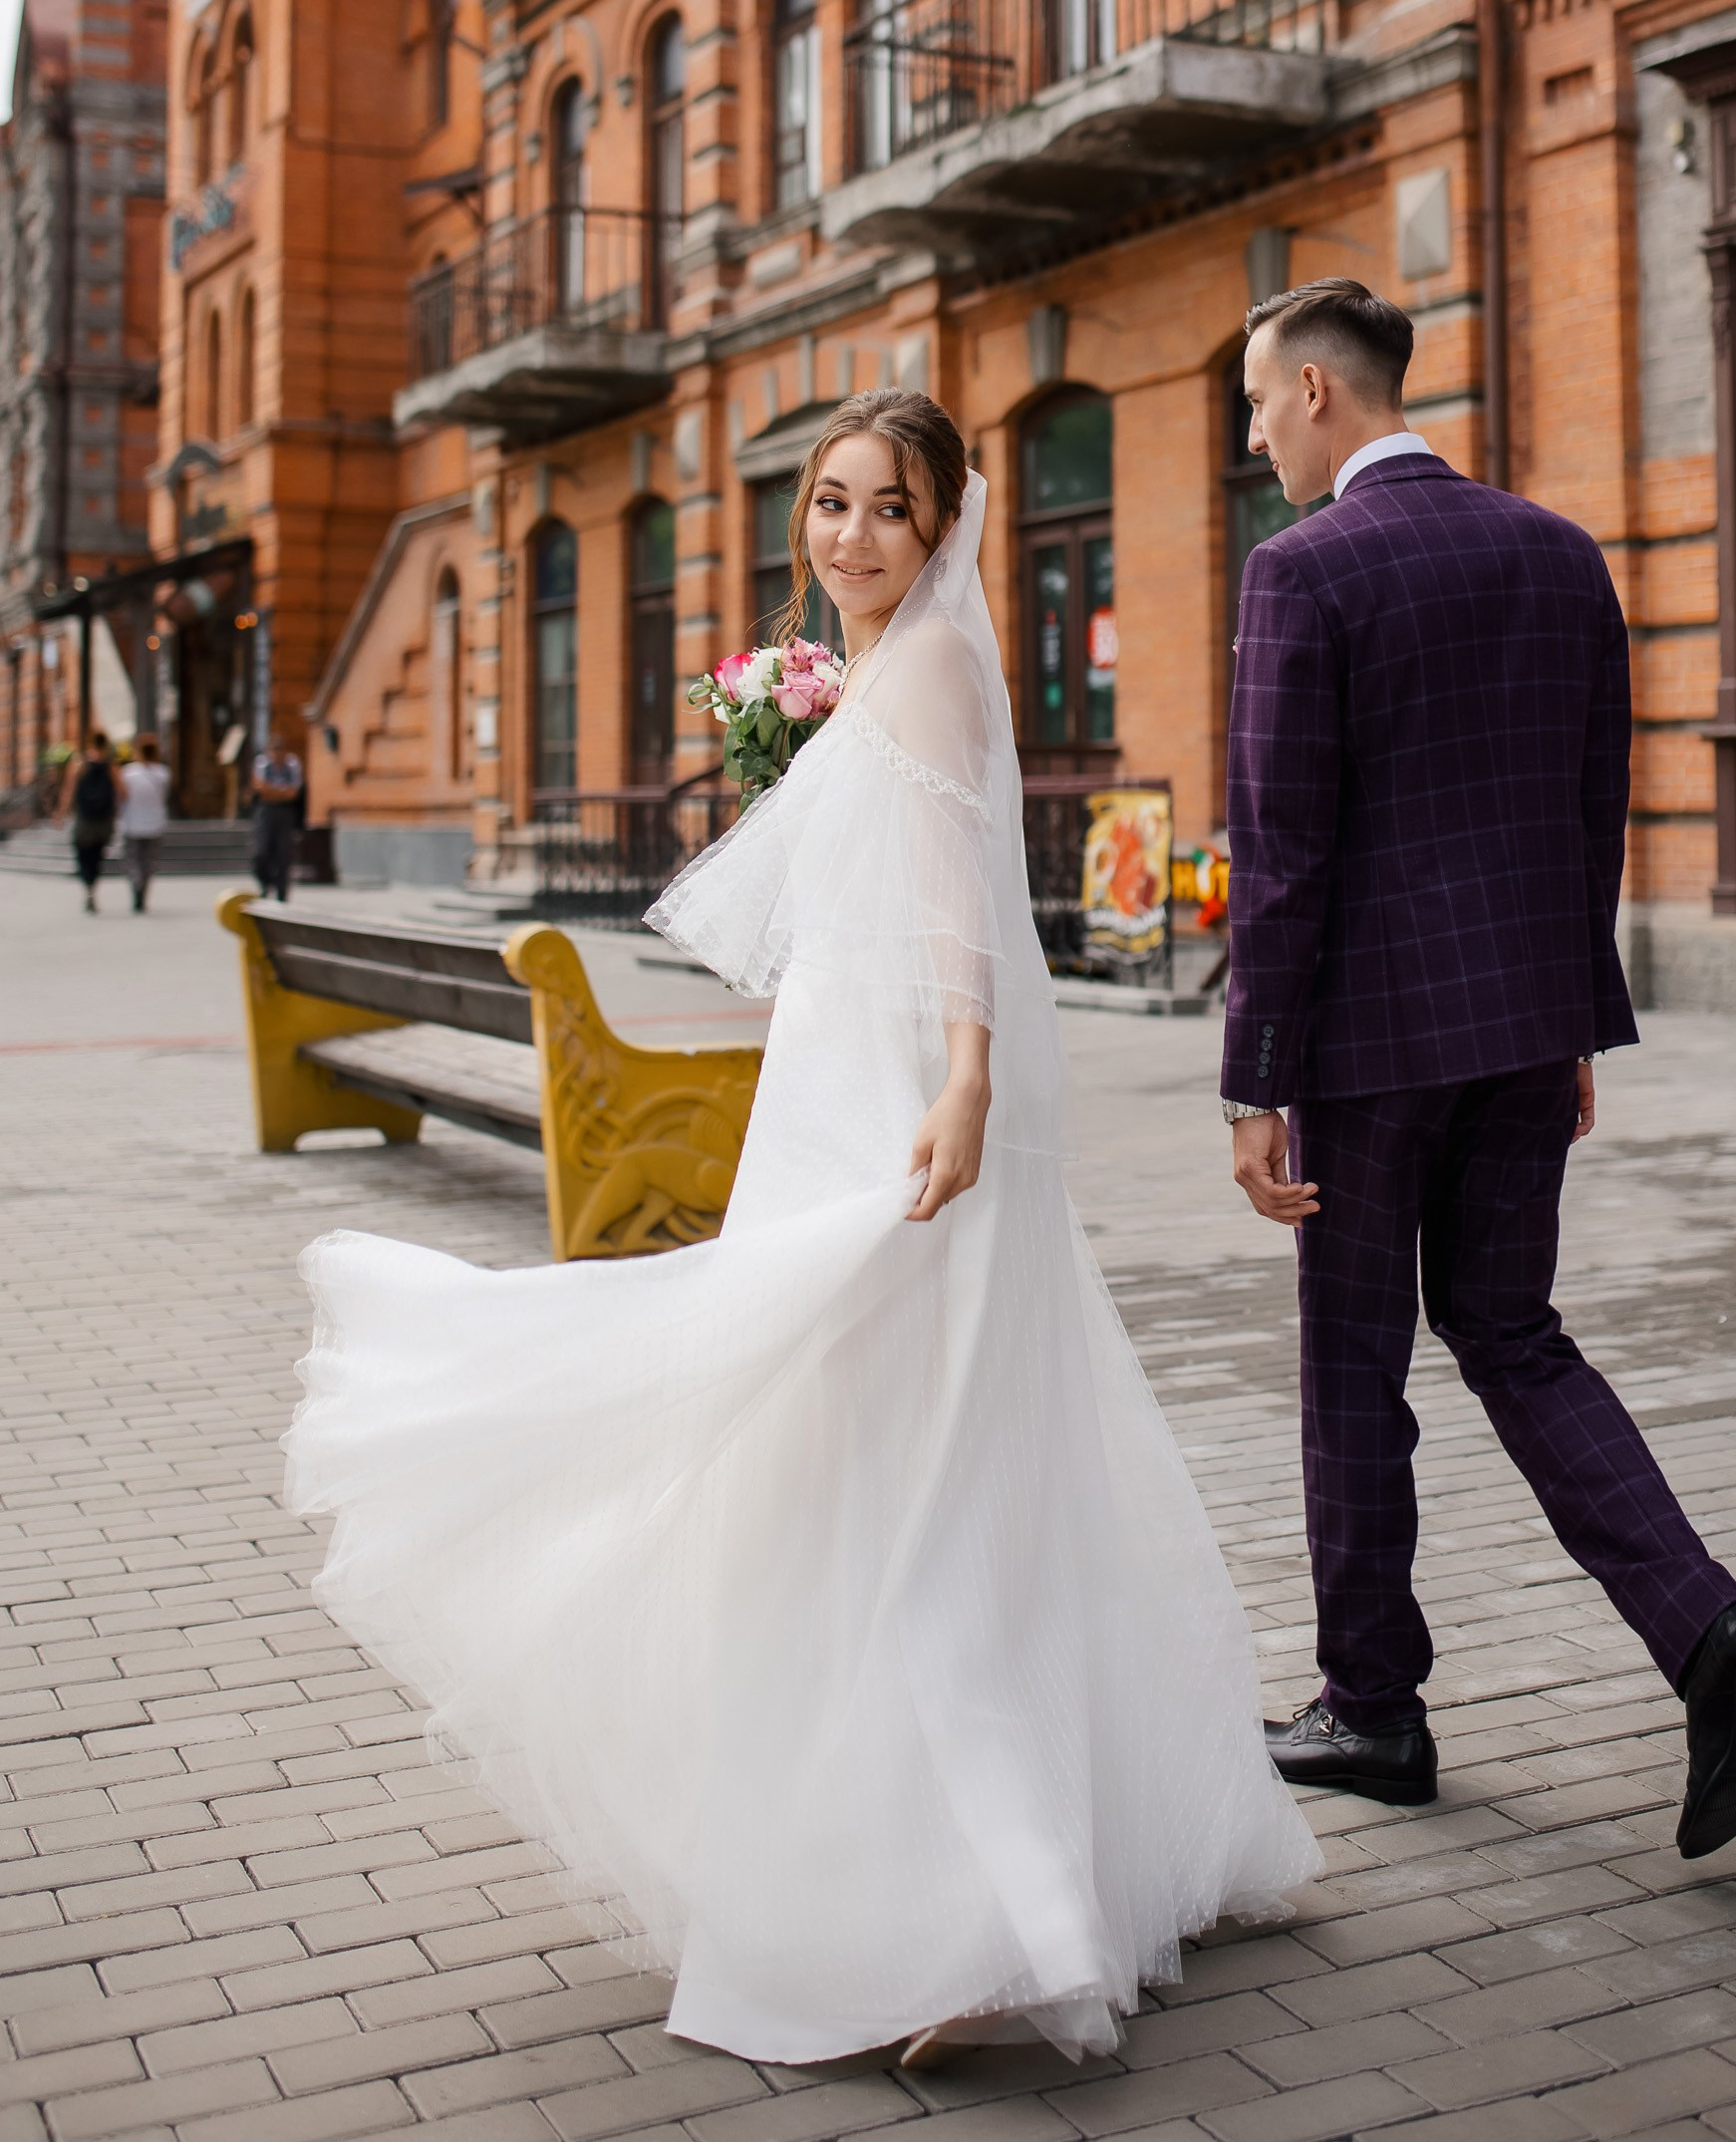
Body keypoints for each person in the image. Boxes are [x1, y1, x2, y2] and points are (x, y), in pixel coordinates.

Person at [284, 389, 1318, 2066]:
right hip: (846, 1077)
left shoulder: (925, 667)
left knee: (909, 1469)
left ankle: (993, 1922)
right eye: (829, 505)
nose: (849, 536)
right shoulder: (891, 664)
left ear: (941, 525)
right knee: (886, 1458)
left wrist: (968, 1077)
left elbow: (961, 892)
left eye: (887, 511)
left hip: (910, 1093)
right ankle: (955, 1861)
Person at [1223, 276, 1736, 1863]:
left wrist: (1251, 1081)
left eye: (1261, 398)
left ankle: (1375, 1707)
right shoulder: (1561, 552)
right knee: (1513, 1334)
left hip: (1358, 1056)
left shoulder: (1301, 572)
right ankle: (1716, 1636)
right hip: (1521, 1030)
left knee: (1356, 1369)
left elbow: (1282, 858)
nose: (1254, 428)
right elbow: (1590, 808)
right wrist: (1569, 1020)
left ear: (1324, 394)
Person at [61, 731, 119, 914]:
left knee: (83, 854)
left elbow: (68, 790)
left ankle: (88, 887)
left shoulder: (80, 764)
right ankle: (92, 886)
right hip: (104, 819)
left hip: (85, 819)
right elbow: (122, 792)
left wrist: (60, 812)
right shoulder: (111, 766)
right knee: (97, 855)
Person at [248, 733, 305, 900]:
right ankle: (266, 883)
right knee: (261, 852)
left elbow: (293, 793)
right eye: (274, 751)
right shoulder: (262, 763)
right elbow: (259, 788)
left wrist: (272, 790)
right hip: (265, 812)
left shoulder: (292, 764)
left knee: (284, 852)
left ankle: (281, 892)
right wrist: (281, 791)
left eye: (280, 750)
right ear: (269, 752)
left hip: (285, 812)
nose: (277, 755)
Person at [119, 734, 171, 912]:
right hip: (155, 823)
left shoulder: (128, 772)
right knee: (149, 862)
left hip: (132, 823)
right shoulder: (163, 773)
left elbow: (122, 796)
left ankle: (137, 890)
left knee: (134, 861)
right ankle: (143, 892)